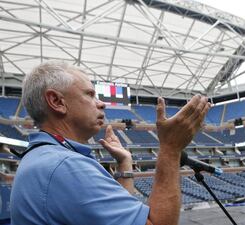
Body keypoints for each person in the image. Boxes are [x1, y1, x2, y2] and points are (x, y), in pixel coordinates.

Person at [10, 61, 210, 225]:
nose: (101, 103)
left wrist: (125, 164)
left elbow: (116, 218)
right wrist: (170, 148)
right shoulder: (65, 167)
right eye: (89, 94)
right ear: (57, 101)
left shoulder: (45, 158)